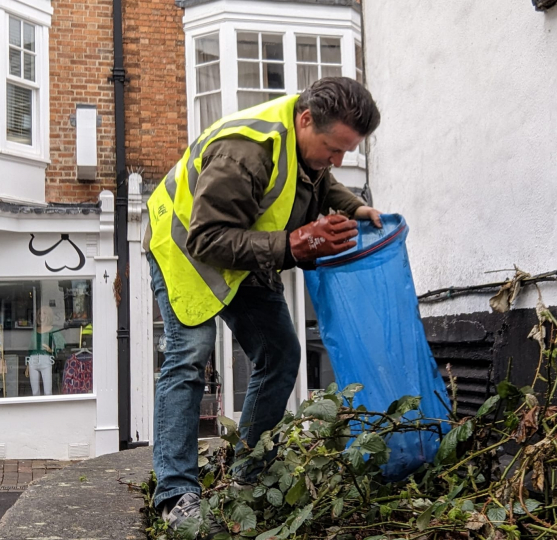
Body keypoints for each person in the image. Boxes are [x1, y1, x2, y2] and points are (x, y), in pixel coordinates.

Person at [145, 77, 382, 537]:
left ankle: (250, 475)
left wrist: (356, 208)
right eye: (334, 148)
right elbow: (206, 238)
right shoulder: (245, 151)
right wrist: (292, 245)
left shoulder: (306, 141)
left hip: (244, 245)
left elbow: (318, 179)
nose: (337, 161)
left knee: (281, 353)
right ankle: (176, 493)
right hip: (185, 251)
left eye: (346, 152)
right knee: (190, 355)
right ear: (306, 119)